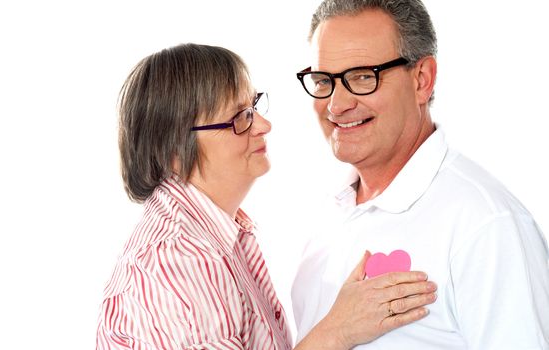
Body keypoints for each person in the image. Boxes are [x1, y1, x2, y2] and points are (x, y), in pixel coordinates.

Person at [95, 43, 437, 349]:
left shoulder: (219, 236)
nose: (263, 126)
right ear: (173, 149)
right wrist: (337, 330)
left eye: (254, 107)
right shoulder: (176, 260)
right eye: (239, 118)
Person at [291, 0, 549, 349]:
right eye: (324, 80)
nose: (336, 105)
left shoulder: (486, 225)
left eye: (363, 77)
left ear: (422, 80)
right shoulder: (328, 213)